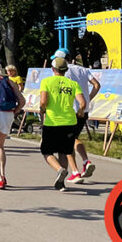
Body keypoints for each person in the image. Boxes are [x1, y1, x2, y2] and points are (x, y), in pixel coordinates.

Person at [39, 57, 87, 190]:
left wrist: (42, 109)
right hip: (70, 122)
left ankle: (60, 170)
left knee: (46, 151)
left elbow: (43, 101)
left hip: (52, 122)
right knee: (64, 151)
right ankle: (61, 182)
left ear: (53, 69)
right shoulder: (73, 84)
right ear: (66, 70)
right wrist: (81, 112)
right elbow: (82, 103)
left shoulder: (46, 82)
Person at [58, 49, 100, 178]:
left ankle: (75, 172)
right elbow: (97, 85)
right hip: (83, 109)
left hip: (69, 109)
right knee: (74, 138)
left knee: (68, 141)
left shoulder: (62, 71)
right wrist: (88, 98)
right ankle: (85, 161)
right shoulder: (82, 69)